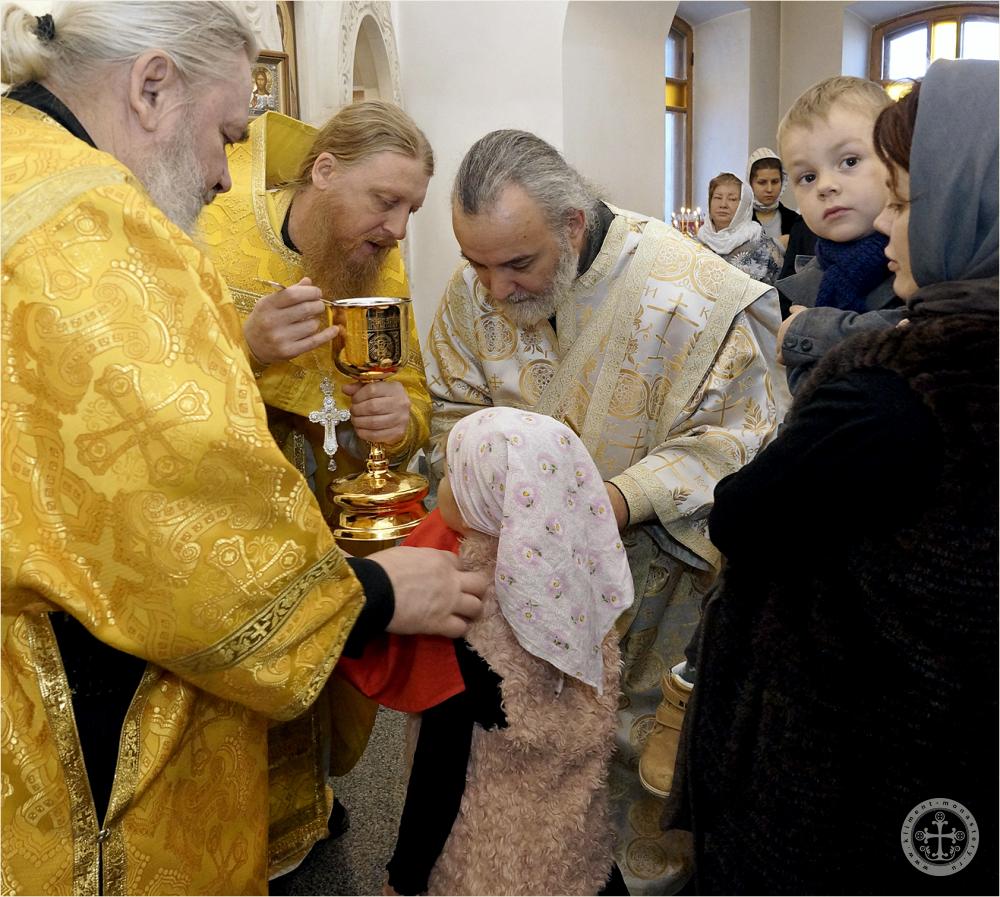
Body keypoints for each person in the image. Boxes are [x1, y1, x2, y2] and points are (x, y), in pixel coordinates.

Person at [0, 4, 487, 894]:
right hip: (91, 680)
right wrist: (372, 594)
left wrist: (400, 422)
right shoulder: (95, 224)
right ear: (152, 87)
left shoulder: (21, 168)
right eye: (229, 134)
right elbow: (167, 496)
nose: (228, 173)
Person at [424, 129, 790, 893]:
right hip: (509, 614)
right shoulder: (474, 290)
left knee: (635, 811)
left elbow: (741, 442)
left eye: (517, 264)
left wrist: (611, 502)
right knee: (507, 806)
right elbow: (450, 409)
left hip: (653, 599)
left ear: (573, 225)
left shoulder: (695, 293)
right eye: (476, 264)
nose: (495, 289)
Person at [670, 58, 998, 894]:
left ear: (967, 208)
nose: (886, 222)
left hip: (849, 764)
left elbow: (745, 516)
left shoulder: (896, 393)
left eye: (907, 202)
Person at [379, 407, 633, 896]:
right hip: (571, 843)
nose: (441, 486)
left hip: (488, 858)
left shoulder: (470, 619)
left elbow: (441, 768)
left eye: (452, 476)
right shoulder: (583, 585)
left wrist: (405, 875)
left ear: (485, 499)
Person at [200, 100, 433, 526]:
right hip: (227, 508)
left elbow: (412, 394)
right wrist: (250, 349)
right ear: (325, 171)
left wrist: (398, 424)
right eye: (385, 201)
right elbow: (154, 380)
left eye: (410, 211)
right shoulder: (213, 230)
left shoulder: (378, 258)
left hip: (338, 518)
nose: (398, 230)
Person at [775, 76, 905, 392]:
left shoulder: (921, 262)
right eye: (808, 177)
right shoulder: (812, 277)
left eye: (849, 161)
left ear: (894, 158)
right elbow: (803, 390)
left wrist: (811, 329)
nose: (825, 186)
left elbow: (919, 335)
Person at [697, 172, 783, 285]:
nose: (723, 205)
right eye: (717, 197)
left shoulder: (762, 244)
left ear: (744, 205)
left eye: (732, 199)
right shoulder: (697, 243)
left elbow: (779, 287)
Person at [746, 145, 816, 278]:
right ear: (750, 183)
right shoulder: (742, 220)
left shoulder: (796, 221)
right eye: (762, 182)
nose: (769, 189)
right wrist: (777, 244)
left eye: (775, 182)